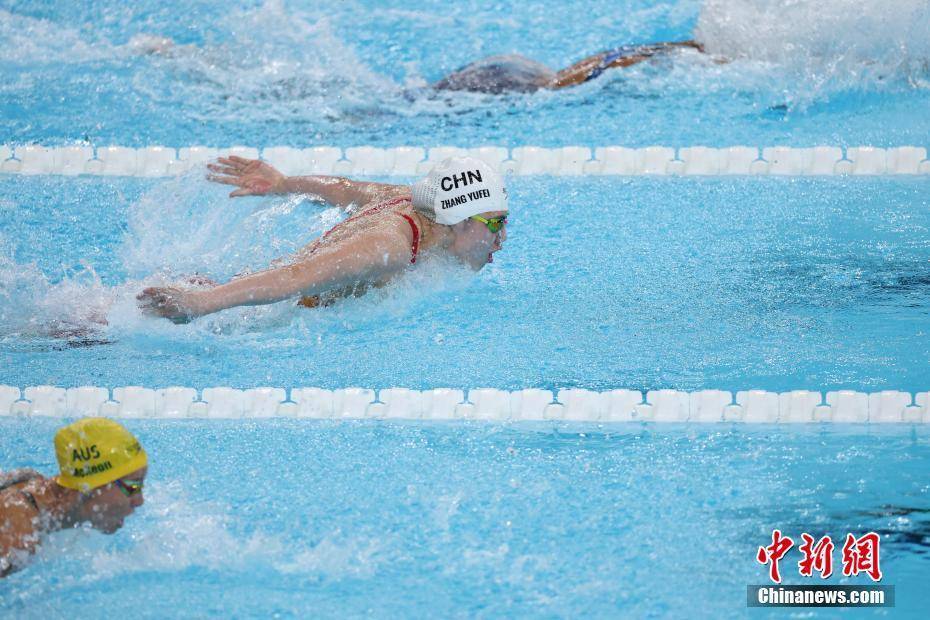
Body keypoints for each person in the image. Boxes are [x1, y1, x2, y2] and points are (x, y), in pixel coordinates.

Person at [137, 156, 509, 321]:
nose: (502, 238)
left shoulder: (410, 203)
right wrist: (201, 304)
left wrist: (283, 184)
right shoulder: (391, 246)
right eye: (494, 224)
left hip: (232, 292)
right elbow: (298, 277)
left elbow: (345, 190)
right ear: (458, 220)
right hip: (245, 315)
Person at [0, 418, 148, 578]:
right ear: (89, 488)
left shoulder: (32, 486)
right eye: (132, 486)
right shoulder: (17, 538)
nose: (139, 501)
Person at [434, 40, 704, 94]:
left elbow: (607, 63)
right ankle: (672, 47)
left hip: (498, 75)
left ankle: (672, 48)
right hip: (502, 69)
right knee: (558, 81)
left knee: (556, 84)